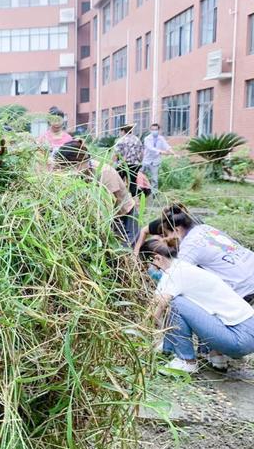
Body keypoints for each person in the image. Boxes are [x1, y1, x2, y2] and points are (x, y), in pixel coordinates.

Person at [140, 239, 254, 374]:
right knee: (193, 305)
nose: (148, 271)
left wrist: (138, 334)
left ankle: (186, 361)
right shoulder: (187, 268)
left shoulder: (173, 273)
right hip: (246, 333)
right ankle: (214, 355)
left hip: (237, 339)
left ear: (157, 258)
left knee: (175, 303)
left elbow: (156, 310)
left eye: (147, 265)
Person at [158, 206, 254, 301]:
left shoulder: (189, 245)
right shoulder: (205, 228)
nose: (168, 238)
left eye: (167, 234)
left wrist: (158, 272)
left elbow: (175, 276)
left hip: (246, 288)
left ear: (177, 230)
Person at [54, 140, 138, 246]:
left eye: (68, 166)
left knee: (125, 250)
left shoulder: (104, 172)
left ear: (79, 162)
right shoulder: (77, 173)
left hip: (124, 216)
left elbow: (107, 209)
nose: (66, 171)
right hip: (100, 218)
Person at [142, 123, 175, 193]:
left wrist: (173, 153)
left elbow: (167, 146)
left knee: (154, 179)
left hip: (155, 162)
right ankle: (142, 192)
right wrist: (161, 152)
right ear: (150, 130)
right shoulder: (147, 139)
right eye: (153, 129)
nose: (154, 131)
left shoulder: (161, 138)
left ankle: (154, 194)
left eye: (156, 129)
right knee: (141, 176)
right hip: (146, 161)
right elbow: (151, 148)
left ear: (159, 130)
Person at [113, 124, 143, 197]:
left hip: (123, 164)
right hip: (135, 164)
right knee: (133, 182)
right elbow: (141, 153)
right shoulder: (137, 139)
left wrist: (113, 164)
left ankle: (121, 198)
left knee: (119, 182)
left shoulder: (121, 140)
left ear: (123, 131)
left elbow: (116, 154)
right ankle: (134, 199)